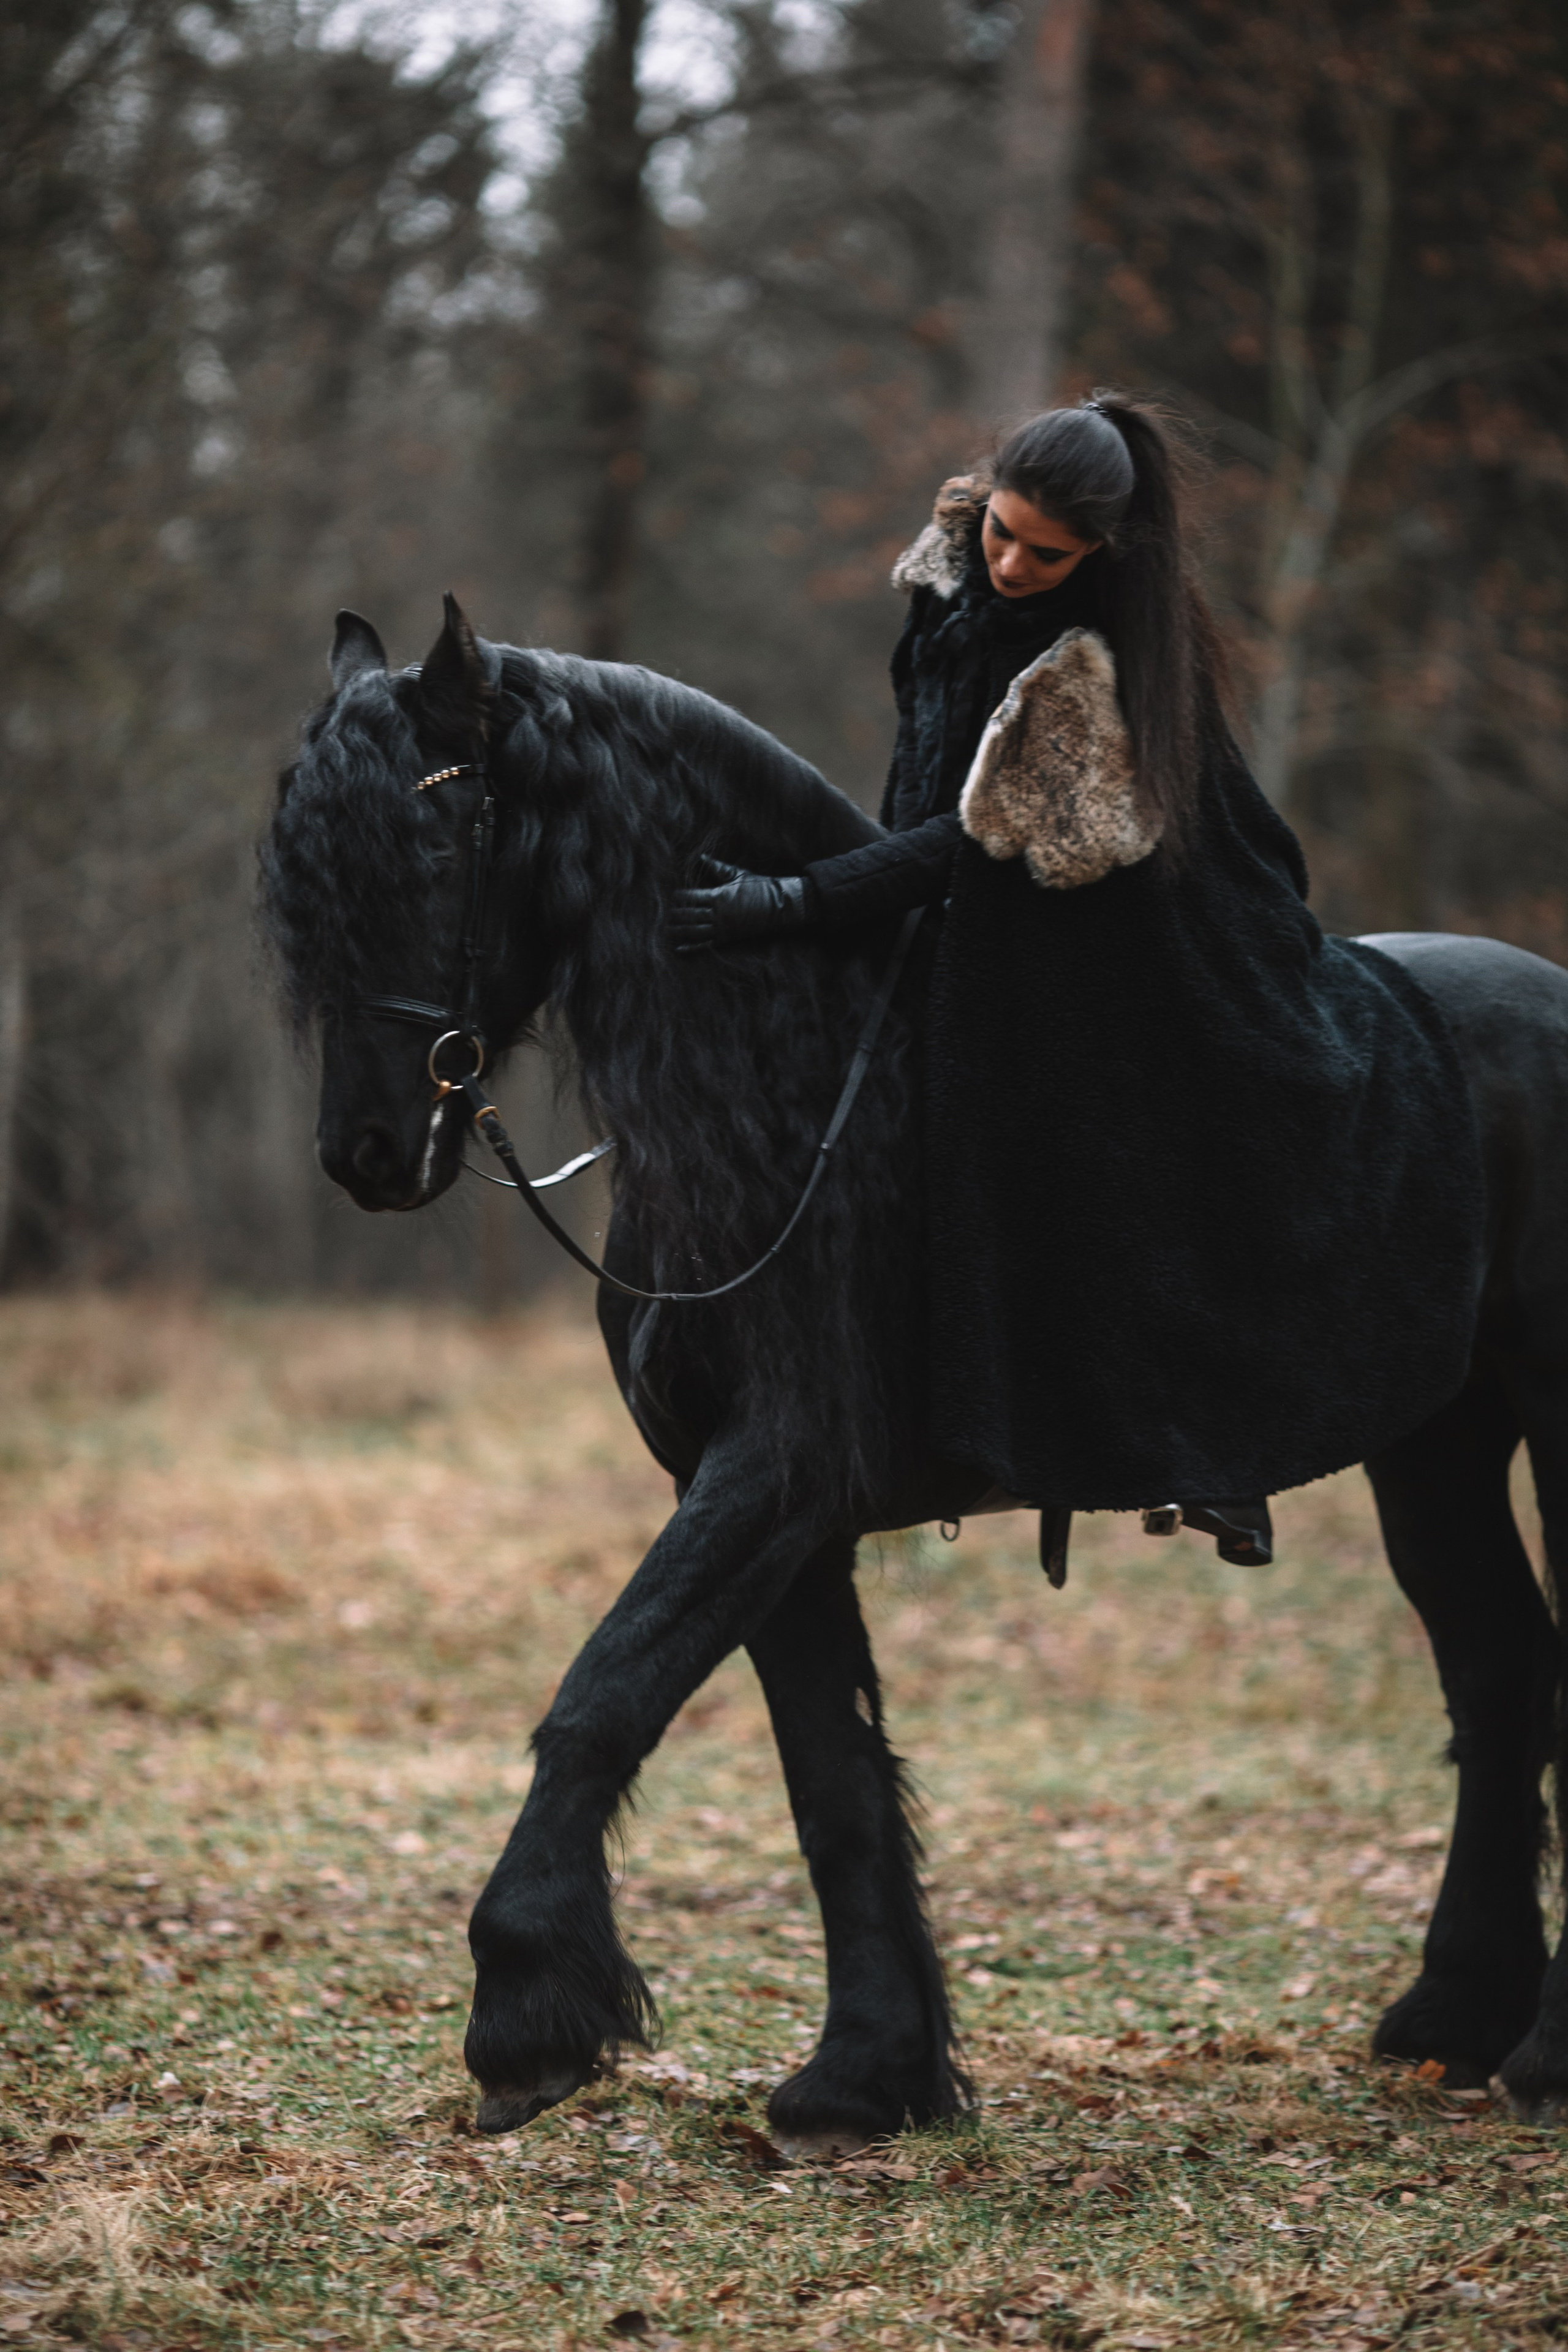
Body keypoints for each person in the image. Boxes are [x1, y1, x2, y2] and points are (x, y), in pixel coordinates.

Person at [671, 394, 1485, 1567]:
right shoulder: (949, 577)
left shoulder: (1100, 660)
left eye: (1043, 553)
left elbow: (982, 834)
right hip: (986, 895)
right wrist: (845, 908)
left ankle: (1209, 1439)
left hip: (1144, 912)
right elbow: (926, 783)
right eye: (1001, 530)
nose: (1010, 563)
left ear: (1102, 551)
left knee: (1129, 1104)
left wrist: (803, 899)